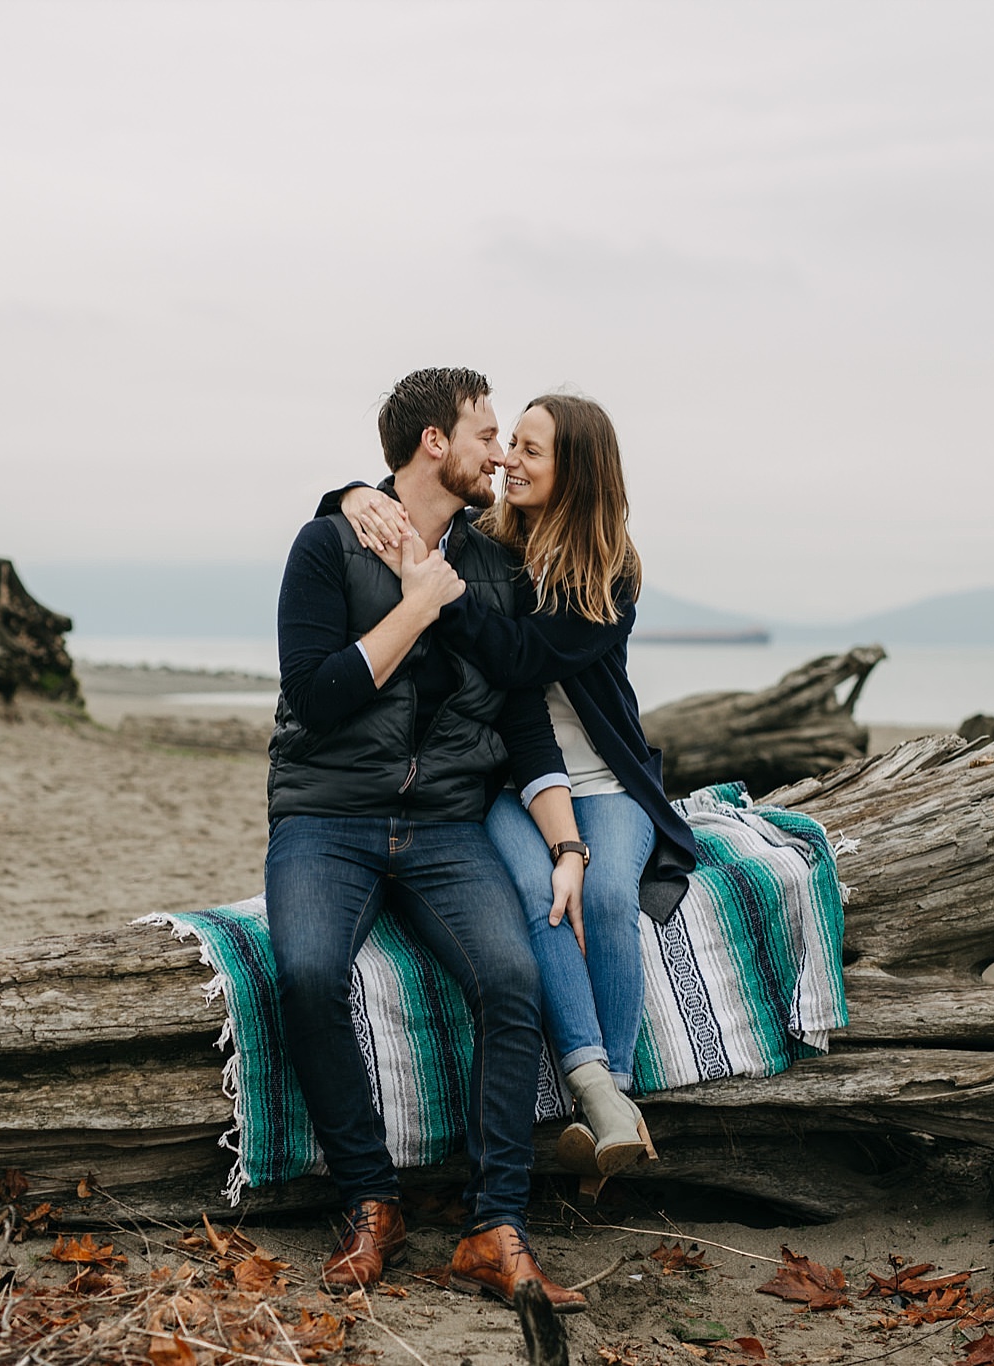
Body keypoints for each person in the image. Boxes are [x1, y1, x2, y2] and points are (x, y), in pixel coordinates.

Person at [266, 367, 589, 1311]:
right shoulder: (326, 545)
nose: (500, 452)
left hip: (447, 825)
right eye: (487, 434)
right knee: (309, 973)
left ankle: (496, 1226)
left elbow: (525, 722)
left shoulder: (499, 567)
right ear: (434, 444)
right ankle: (373, 1200)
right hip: (328, 814)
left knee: (513, 977)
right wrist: (414, 602)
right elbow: (316, 699)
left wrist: (568, 844)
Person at [334, 392, 697, 1191]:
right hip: (518, 782)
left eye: (531, 450)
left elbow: (524, 662)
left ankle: (613, 1107)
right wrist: (350, 494)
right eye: (510, 445)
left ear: (578, 470)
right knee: (541, 895)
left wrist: (446, 599)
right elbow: (409, 500)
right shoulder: (493, 543)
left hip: (605, 782)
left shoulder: (611, 570)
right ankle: (604, 1100)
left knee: (603, 899)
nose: (508, 461)